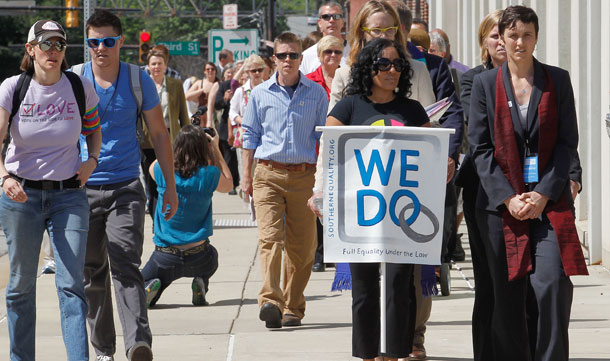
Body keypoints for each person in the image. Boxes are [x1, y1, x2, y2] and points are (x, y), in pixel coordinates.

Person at [468, 6, 588, 361]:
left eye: (527, 35)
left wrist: (543, 193)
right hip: (499, 208)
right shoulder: (484, 84)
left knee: (551, 284)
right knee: (507, 298)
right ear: (501, 38)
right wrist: (508, 198)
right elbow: (480, 147)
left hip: (548, 203)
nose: (520, 42)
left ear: (537, 37)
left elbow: (568, 143)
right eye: (513, 35)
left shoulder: (557, 80)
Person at [323, 38, 430, 361]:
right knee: (365, 287)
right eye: (384, 64)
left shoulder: (412, 110)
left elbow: (432, 153)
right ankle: (367, 355)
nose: (392, 70)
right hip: (362, 213)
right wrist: (320, 195)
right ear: (368, 68)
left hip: (402, 214)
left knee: (400, 284)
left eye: (398, 65)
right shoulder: (348, 108)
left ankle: (395, 353)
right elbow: (330, 154)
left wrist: (447, 165)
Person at [0, 19, 101, 360]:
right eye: (46, 44)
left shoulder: (78, 86)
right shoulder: (13, 88)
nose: (54, 51)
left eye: (60, 44)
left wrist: (93, 160)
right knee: (19, 287)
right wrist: (4, 177)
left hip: (68, 196)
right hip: (21, 197)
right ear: (30, 50)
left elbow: (93, 131)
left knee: (72, 285)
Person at [80, 9, 178, 361]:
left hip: (126, 187)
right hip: (83, 188)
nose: (100, 48)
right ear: (88, 44)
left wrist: (169, 185)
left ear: (120, 42)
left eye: (107, 41)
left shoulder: (139, 80)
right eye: (94, 42)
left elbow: (159, 134)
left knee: (125, 263)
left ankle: (138, 343)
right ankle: (103, 349)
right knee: (92, 270)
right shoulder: (76, 79)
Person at [241, 31, 328, 329]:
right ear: (274, 59)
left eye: (293, 55)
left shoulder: (317, 94)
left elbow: (324, 140)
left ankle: (293, 306)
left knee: (303, 248)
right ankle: (270, 301)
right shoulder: (260, 94)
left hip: (304, 175)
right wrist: (246, 177)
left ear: (301, 59)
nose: (288, 60)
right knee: (269, 239)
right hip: (268, 174)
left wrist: (324, 182)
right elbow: (249, 135)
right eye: (283, 55)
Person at [142, 125, 233, 307]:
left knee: (142, 284)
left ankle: (153, 286)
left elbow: (152, 166)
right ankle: (200, 282)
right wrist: (214, 149)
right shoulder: (209, 175)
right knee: (213, 255)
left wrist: (175, 146)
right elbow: (229, 184)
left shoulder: (161, 171)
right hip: (199, 257)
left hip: (165, 257)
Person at [327, 0, 435, 112]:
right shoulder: (344, 75)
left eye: (389, 30)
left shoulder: (418, 70)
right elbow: (333, 126)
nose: (383, 36)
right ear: (362, 32)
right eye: (376, 30)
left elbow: (432, 121)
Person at [304, 34, 343, 273]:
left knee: (338, 203)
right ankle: (319, 253)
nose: (332, 56)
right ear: (319, 56)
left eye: (337, 52)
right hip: (316, 150)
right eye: (328, 52)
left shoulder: (348, 78)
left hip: (341, 150)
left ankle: (336, 251)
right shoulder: (309, 81)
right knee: (318, 202)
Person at [141, 44, 190, 220]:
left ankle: (170, 216)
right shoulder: (142, 85)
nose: (156, 67)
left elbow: (183, 115)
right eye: (153, 64)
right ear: (148, 66)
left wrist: (187, 140)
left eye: (159, 63)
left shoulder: (175, 85)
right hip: (148, 141)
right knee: (152, 182)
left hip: (171, 139)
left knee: (170, 179)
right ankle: (157, 220)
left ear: (165, 64)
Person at [229, 54, 267, 191]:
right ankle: (249, 205)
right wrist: (245, 121)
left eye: (259, 70)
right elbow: (232, 113)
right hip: (246, 136)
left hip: (265, 137)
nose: (257, 73)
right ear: (247, 72)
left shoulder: (269, 88)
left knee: (261, 174)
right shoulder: (241, 91)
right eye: (253, 70)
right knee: (246, 173)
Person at [207, 63, 240, 194]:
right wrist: (226, 99)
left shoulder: (239, 86)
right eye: (228, 73)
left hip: (237, 124)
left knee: (236, 158)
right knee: (228, 156)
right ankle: (230, 183)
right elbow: (217, 104)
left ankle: (236, 182)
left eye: (232, 73)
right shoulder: (223, 86)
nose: (230, 75)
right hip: (225, 127)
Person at [299, 1, 350, 74]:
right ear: (319, 23)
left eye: (336, 16)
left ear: (342, 22)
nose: (332, 20)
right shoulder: (306, 56)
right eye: (326, 17)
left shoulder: (354, 52)